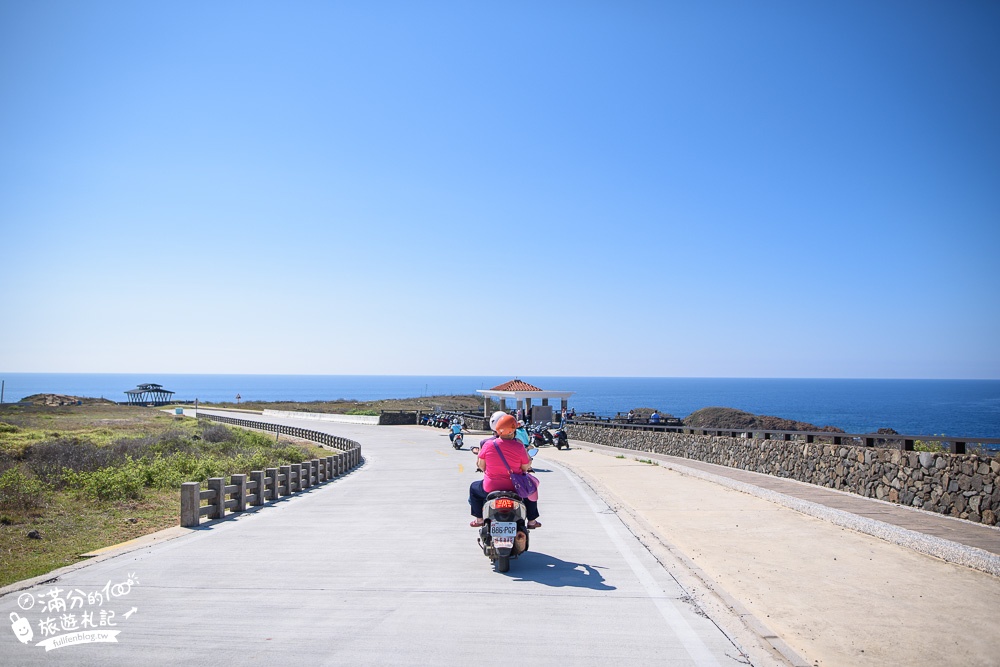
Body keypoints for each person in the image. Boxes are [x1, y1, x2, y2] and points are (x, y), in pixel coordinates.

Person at [468, 414, 541, 529]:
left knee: (474, 488)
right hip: (515, 487)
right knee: (531, 488)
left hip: (490, 487)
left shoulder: (488, 445)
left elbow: (481, 465)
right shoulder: (519, 446)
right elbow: (525, 467)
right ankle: (531, 521)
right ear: (513, 430)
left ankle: (479, 519)